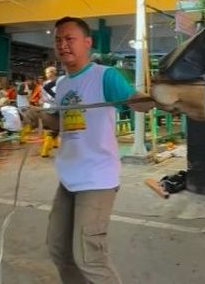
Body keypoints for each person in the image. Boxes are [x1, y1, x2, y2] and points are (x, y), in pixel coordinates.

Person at [47, 16, 155, 284]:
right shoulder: (62, 84)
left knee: (89, 257)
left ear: (87, 42)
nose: (63, 45)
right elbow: (62, 123)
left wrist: (156, 97)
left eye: (69, 38)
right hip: (69, 177)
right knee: (59, 249)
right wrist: (37, 117)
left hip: (97, 178)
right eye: (58, 39)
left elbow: (137, 103)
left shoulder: (104, 76)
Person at [40, 67, 60, 157]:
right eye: (46, 73)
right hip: (53, 107)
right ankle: (45, 151)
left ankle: (54, 144)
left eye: (48, 73)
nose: (46, 75)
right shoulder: (47, 83)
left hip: (50, 107)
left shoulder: (56, 82)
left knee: (52, 127)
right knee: (53, 129)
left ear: (53, 73)